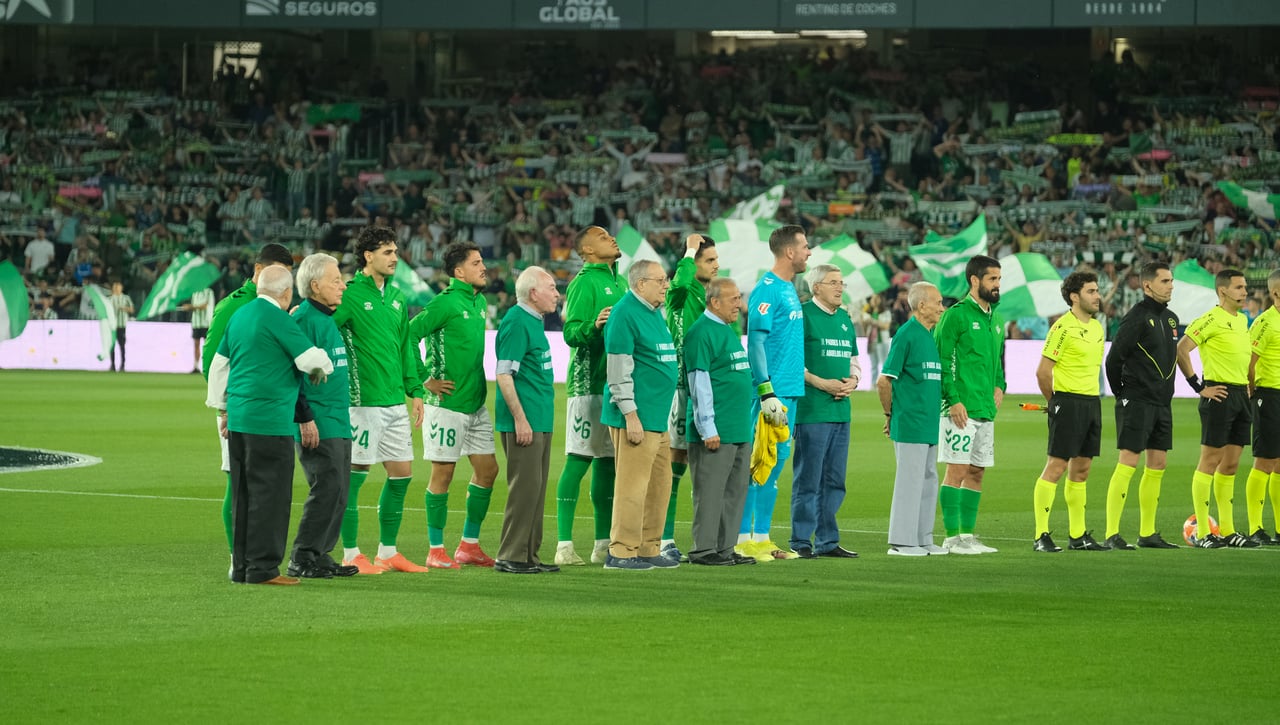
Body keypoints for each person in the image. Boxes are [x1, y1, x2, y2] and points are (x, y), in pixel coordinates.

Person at [206, 265, 334, 585]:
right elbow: (312, 360)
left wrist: (222, 408)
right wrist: (323, 367)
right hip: (270, 422)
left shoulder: (240, 316)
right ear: (287, 293)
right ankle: (263, 570)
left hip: (237, 421)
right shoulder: (278, 319)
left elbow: (219, 366)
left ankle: (242, 567)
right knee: (271, 498)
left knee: (243, 496)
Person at [334, 226, 430, 573]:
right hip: (361, 403)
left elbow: (406, 346)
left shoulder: (398, 296)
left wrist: (415, 391)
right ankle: (349, 553)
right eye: (387, 252)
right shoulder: (348, 295)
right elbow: (319, 328)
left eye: (395, 251)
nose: (394, 258)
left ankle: (387, 552)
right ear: (367, 256)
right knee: (354, 476)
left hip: (394, 403)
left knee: (402, 474)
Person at [201, 243, 294, 567]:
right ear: (259, 272)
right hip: (239, 411)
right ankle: (236, 556)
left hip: (270, 410)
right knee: (238, 482)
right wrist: (227, 407)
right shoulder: (234, 307)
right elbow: (212, 360)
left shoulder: (275, 308)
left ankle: (252, 555)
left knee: (262, 485)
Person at [409, 242, 499, 569]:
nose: (483, 266)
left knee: (488, 471)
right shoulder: (444, 304)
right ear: (459, 271)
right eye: (476, 263)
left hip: (475, 403)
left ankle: (469, 546)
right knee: (443, 475)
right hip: (445, 405)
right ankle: (435, 550)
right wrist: (422, 381)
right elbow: (408, 334)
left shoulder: (479, 301)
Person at [554, 226, 627, 566]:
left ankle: (601, 543)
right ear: (587, 249)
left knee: (608, 464)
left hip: (617, 387)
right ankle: (564, 545)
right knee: (578, 459)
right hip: (588, 385)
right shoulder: (584, 281)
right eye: (602, 236)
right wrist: (593, 327)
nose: (611, 238)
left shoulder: (621, 282)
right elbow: (570, 331)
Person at [601, 260, 679, 571]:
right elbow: (618, 371)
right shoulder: (624, 314)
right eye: (660, 280)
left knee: (660, 485)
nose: (666, 285)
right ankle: (621, 551)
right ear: (640, 283)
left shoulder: (652, 313)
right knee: (632, 487)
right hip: (636, 418)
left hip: (657, 418)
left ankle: (648, 547)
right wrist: (630, 414)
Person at [738, 225, 810, 562]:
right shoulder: (766, 290)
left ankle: (763, 538)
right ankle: (742, 538)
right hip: (774, 393)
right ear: (789, 252)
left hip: (789, 392)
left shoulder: (789, 289)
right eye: (805, 246)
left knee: (776, 462)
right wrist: (766, 389)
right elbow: (755, 341)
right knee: (759, 462)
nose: (809, 252)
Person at [286, 254, 359, 579]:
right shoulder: (302, 321)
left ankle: (321, 553)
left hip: (338, 419)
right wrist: (305, 417)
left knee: (339, 489)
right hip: (319, 420)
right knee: (326, 486)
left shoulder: (325, 319)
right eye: (335, 281)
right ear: (315, 286)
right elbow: (291, 375)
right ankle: (302, 556)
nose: (342, 286)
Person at [1176, 268, 1260, 548]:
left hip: (1239, 395)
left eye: (1245, 287)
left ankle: (1227, 531)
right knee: (1210, 462)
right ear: (1223, 290)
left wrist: (1248, 385)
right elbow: (1182, 349)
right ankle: (1203, 532)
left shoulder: (1242, 321)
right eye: (1239, 287)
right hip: (1218, 394)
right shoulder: (1210, 318)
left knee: (1231, 465)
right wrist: (1198, 386)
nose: (1244, 292)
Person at [1101, 262, 1181, 550]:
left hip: (1162, 403)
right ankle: (1112, 534)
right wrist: (1123, 394)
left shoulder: (1171, 319)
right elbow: (1114, 360)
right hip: (1136, 400)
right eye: (1165, 281)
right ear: (1147, 286)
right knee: (1129, 462)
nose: (1171, 285)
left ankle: (1148, 533)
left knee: (1158, 463)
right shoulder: (1135, 317)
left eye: (1171, 280)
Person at [1030, 271, 1107, 553]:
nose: (1097, 296)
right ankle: (1041, 535)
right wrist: (1054, 403)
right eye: (1091, 291)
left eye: (1097, 290)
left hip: (1091, 403)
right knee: (1057, 466)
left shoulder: (1098, 328)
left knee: (1082, 469)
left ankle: (1078, 536)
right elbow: (1042, 372)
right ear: (1074, 297)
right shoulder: (1062, 328)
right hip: (1068, 402)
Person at [934, 255, 1005, 555]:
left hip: (985, 407)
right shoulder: (956, 315)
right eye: (992, 279)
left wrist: (1000, 386)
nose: (997, 285)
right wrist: (953, 400)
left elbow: (996, 362)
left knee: (977, 472)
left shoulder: (997, 319)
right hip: (960, 408)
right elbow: (941, 360)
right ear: (975, 281)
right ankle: (951, 538)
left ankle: (967, 535)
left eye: (999, 279)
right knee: (958, 469)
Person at [493, 266, 561, 574]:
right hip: (526, 422)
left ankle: (530, 555)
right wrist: (520, 419)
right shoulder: (517, 322)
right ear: (533, 293)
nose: (557, 294)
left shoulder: (533, 322)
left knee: (535, 488)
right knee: (524, 489)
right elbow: (504, 375)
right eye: (551, 288)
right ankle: (511, 555)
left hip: (539, 419)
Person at [684, 278, 757, 567]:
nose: (739, 304)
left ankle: (725, 548)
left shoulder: (727, 330)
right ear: (715, 302)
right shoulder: (701, 332)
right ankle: (704, 550)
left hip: (738, 427)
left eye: (739, 298)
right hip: (717, 431)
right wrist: (708, 427)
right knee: (711, 492)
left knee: (735, 492)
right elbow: (698, 382)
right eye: (734, 299)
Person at [790, 264, 859, 558]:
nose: (840, 287)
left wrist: (853, 381)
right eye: (833, 282)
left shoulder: (845, 319)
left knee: (834, 480)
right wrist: (821, 383)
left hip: (841, 410)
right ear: (816, 287)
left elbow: (853, 358)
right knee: (808, 478)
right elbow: (792, 361)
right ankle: (801, 540)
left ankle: (828, 540)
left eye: (841, 283)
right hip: (812, 410)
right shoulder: (802, 316)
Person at [662, 233, 720, 563]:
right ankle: (663, 537)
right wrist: (688, 250)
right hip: (681, 389)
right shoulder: (681, 295)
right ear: (693, 263)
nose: (717, 265)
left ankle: (706, 538)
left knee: (698, 465)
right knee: (675, 463)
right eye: (709, 260)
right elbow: (678, 286)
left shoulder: (712, 297)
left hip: (708, 388)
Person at [879, 282, 947, 556]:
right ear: (922, 306)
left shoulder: (929, 336)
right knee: (910, 480)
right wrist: (889, 414)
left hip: (929, 422)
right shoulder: (906, 334)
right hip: (910, 422)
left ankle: (923, 538)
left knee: (928, 480)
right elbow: (884, 381)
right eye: (938, 303)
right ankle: (902, 542)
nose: (942, 307)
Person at [1245, 270, 1280, 545]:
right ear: (1276, 293)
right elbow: (1249, 363)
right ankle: (1256, 528)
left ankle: (1279, 529)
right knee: (1265, 462)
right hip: (1268, 395)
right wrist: (1253, 395)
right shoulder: (1264, 323)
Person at [184, 286, 215, 374]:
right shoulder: (195, 292)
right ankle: (196, 366)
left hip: (206, 322)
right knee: (196, 345)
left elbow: (205, 306)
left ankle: (207, 366)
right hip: (196, 322)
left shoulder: (209, 292)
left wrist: (191, 307)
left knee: (207, 346)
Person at [108, 281, 132, 372]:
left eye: (118, 287)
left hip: (122, 325)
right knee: (112, 346)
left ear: (121, 288)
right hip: (112, 326)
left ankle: (122, 365)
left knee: (122, 346)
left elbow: (132, 309)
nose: (116, 289)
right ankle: (112, 365)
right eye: (115, 287)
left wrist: (124, 308)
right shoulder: (109, 299)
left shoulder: (126, 298)